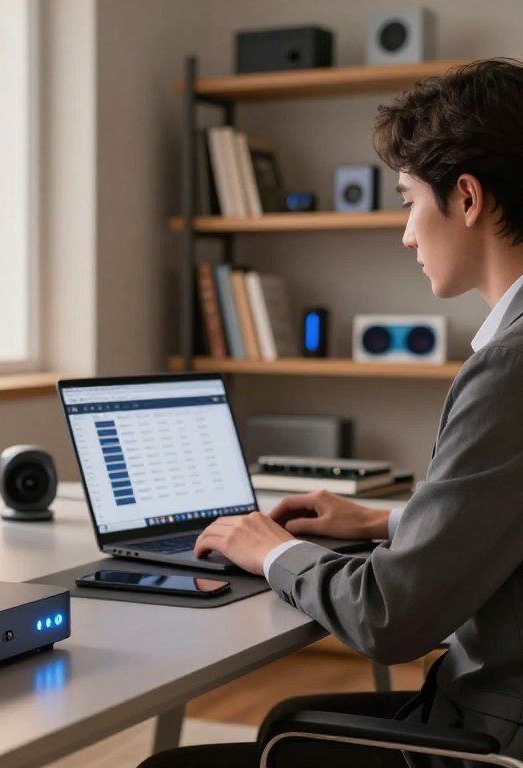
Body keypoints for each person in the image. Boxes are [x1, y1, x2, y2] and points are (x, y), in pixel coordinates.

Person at [140, 58, 523, 767]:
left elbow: (390, 616)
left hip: (493, 744)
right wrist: (383, 518)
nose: (407, 233)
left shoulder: (510, 367)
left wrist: (270, 550)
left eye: (410, 201)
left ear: (467, 198)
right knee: (288, 718)